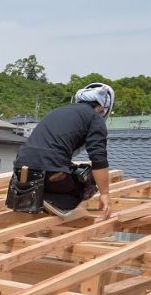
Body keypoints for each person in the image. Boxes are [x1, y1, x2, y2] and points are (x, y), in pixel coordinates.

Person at [9, 82, 114, 219]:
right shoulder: (95, 118)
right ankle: (54, 202)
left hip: (19, 173)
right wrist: (105, 193)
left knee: (67, 168)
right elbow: (98, 158)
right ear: (100, 107)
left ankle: (35, 195)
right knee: (87, 177)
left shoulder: (58, 111)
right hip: (50, 174)